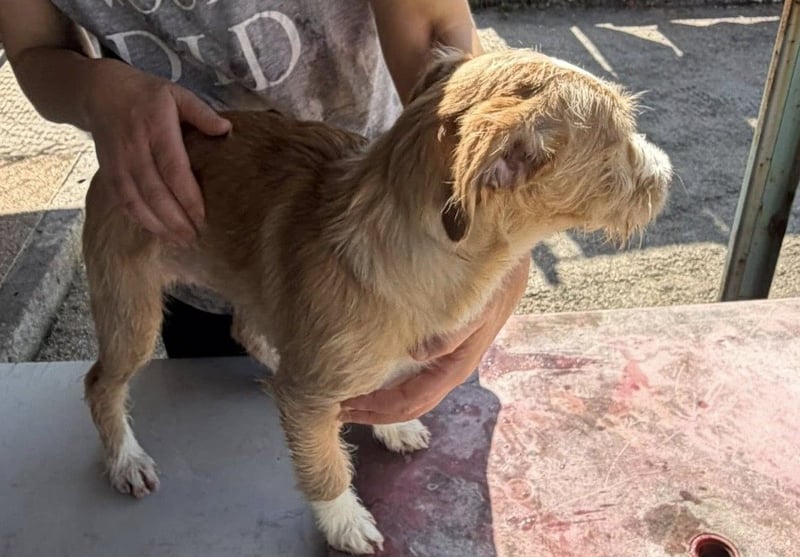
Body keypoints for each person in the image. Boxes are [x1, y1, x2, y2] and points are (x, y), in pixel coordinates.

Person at [0, 0, 529, 425]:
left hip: (384, 232)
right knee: (225, 443)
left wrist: (491, 208)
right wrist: (94, 89)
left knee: (401, 425)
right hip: (193, 226)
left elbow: (435, 23)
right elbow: (35, 49)